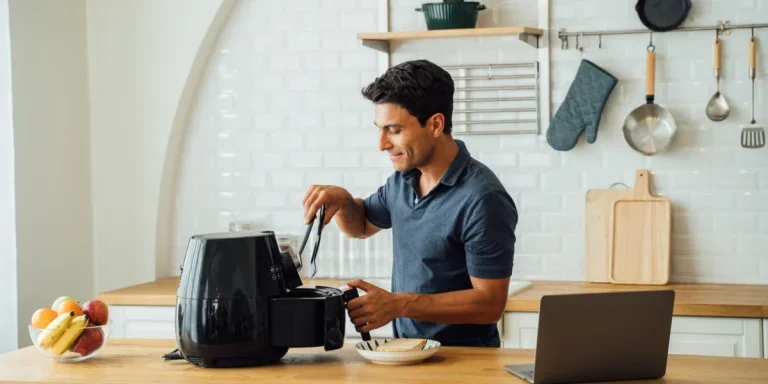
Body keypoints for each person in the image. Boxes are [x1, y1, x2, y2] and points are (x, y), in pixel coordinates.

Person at [301, 59, 518, 348]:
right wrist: (344, 202)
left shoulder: (482, 198)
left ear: (435, 125)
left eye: (394, 130)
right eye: (379, 129)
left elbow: (489, 304)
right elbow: (362, 226)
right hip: (408, 355)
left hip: (464, 362)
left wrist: (399, 304)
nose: (382, 144)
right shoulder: (402, 180)